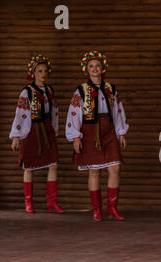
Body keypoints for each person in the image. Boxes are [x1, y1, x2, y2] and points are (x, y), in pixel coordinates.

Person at [66, 51, 129, 222]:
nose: (95, 69)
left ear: (103, 68)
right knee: (94, 172)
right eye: (91, 66)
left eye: (97, 66)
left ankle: (112, 207)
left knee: (115, 168)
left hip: (107, 130)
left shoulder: (110, 88)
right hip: (89, 131)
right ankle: (96, 209)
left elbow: (117, 111)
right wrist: (75, 137)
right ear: (87, 70)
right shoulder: (81, 90)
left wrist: (121, 132)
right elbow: (74, 113)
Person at [9, 55, 65, 214]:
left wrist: (54, 129)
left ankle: (52, 202)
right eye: (40, 71)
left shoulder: (49, 90)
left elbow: (54, 112)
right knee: (29, 168)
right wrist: (16, 136)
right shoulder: (27, 92)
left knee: (53, 165)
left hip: (47, 130)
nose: (43, 74)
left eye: (45, 71)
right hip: (31, 129)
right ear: (33, 73)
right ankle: (28, 202)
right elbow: (20, 113)